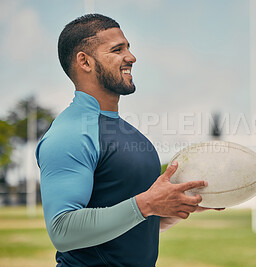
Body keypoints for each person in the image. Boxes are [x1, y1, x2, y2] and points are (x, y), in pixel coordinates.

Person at [36, 13, 219, 267]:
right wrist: (147, 204)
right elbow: (62, 231)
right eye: (117, 49)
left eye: (128, 48)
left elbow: (125, 230)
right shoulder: (69, 133)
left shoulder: (131, 135)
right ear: (85, 62)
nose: (131, 57)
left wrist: (174, 208)